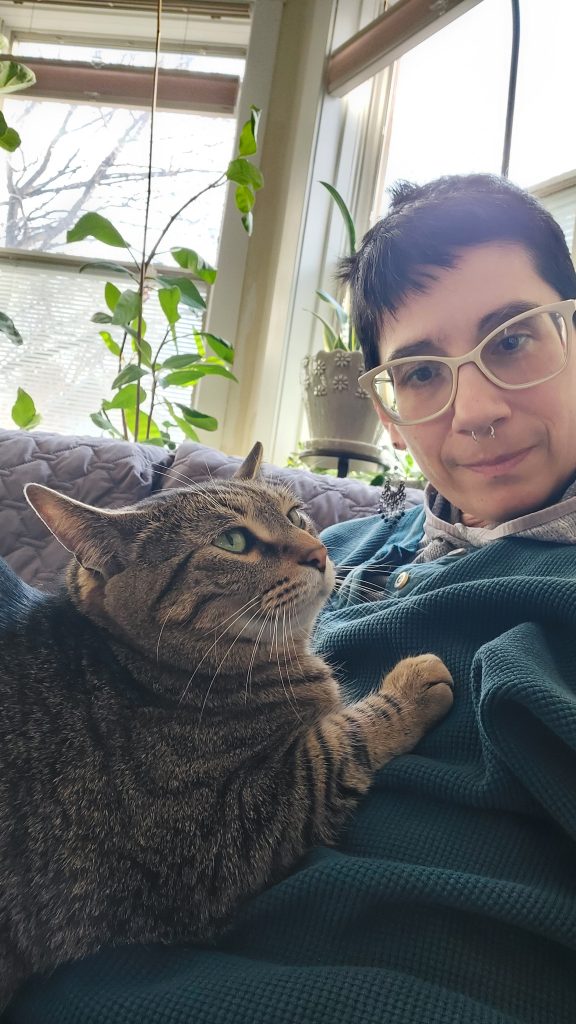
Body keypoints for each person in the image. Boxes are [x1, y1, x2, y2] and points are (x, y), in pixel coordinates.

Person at [10, 174, 576, 1024]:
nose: (477, 411)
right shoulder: (343, 548)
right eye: (422, 372)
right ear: (388, 411)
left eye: (515, 339)